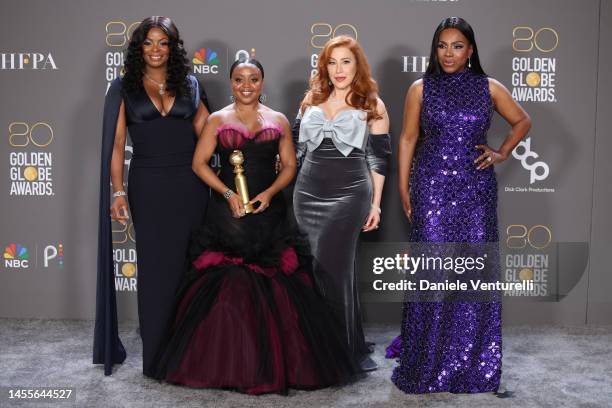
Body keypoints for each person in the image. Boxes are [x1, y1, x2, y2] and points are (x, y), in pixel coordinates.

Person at [152, 58, 361, 395]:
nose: (246, 86)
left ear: (262, 82)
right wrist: (226, 193)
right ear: (231, 82)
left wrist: (270, 193)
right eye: (238, 80)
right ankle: (232, 362)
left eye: (253, 79)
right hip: (227, 215)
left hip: (269, 213)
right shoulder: (217, 119)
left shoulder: (278, 120)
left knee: (278, 287)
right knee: (229, 286)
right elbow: (198, 163)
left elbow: (290, 165)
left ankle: (271, 364)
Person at [387, 17, 531, 394]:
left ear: (471, 50)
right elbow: (406, 140)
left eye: (457, 46)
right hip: (431, 187)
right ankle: (428, 360)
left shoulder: (489, 87)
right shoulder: (421, 88)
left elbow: (522, 121)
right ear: (434, 49)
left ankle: (469, 363)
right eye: (442, 45)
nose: (448, 53)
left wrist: (501, 152)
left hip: (476, 191)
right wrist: (403, 188)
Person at [93, 16, 210, 376]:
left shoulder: (190, 84)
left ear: (173, 47)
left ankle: (192, 351)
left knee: (190, 267)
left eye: (163, 42)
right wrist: (118, 191)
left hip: (190, 185)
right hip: (147, 185)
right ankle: (158, 355)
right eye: (148, 42)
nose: (156, 50)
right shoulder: (123, 87)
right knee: (156, 270)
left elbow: (210, 133)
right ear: (138, 48)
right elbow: (116, 147)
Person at [292, 36, 391, 371]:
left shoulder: (372, 105)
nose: (338, 69)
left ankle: (339, 349)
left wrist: (375, 205)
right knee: (310, 270)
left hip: (349, 195)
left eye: (345, 61)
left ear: (357, 65)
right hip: (306, 194)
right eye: (332, 62)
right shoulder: (310, 99)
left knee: (334, 270)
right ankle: (311, 346)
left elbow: (379, 161)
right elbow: (296, 149)